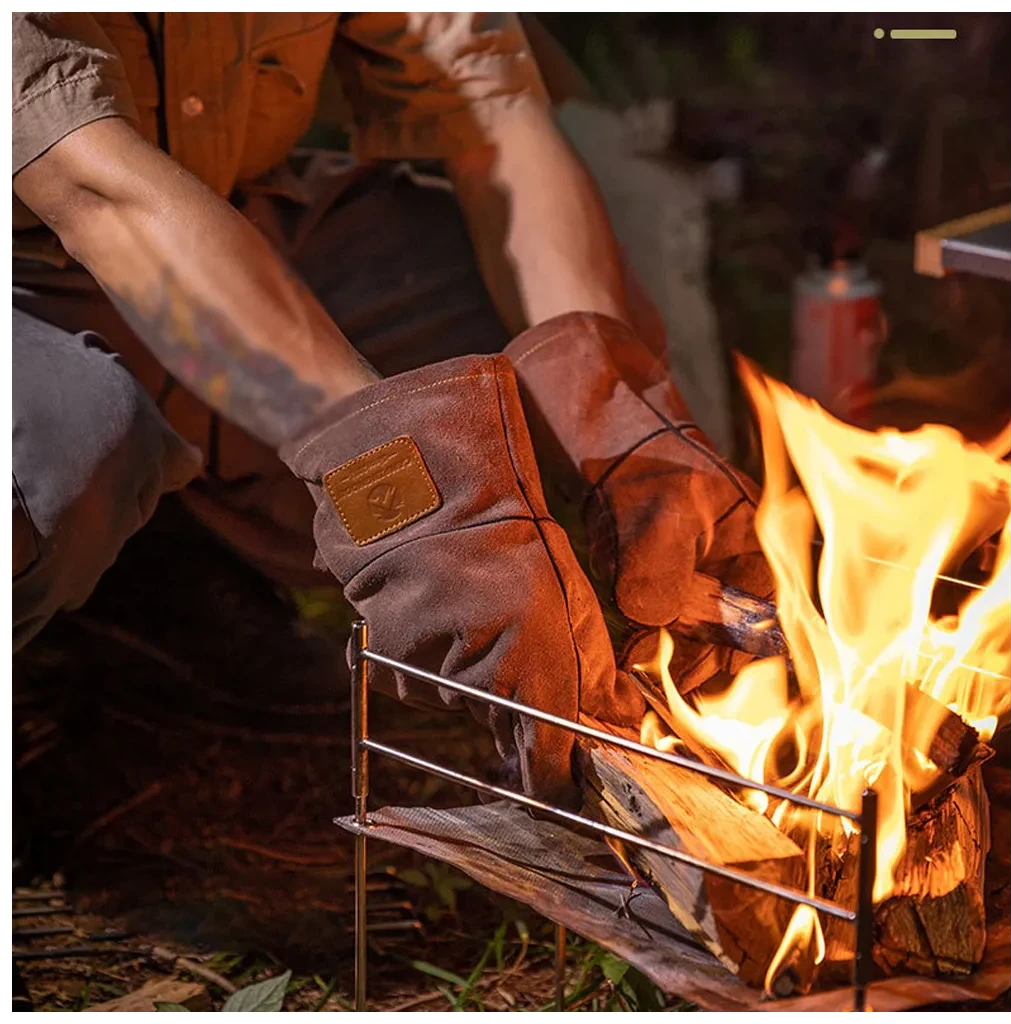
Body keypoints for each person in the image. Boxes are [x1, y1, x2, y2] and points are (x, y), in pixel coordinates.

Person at [13, 13, 769, 804]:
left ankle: (183, 558)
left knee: (511, 378)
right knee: (69, 454)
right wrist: (405, 495)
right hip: (28, 274)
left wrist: (609, 419)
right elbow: (94, 190)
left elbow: (494, 115)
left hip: (239, 218)